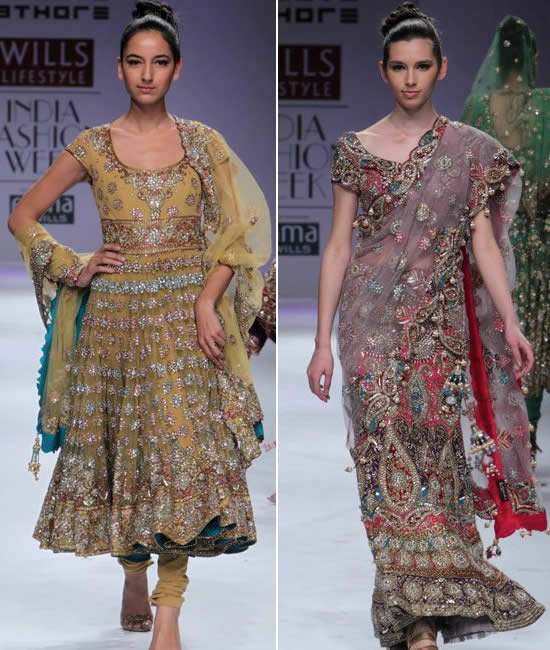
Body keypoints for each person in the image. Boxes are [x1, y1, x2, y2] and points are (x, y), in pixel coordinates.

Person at [7, 2, 271, 649]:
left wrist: (207, 302)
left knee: (181, 455)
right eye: (135, 61)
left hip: (185, 317)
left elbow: (236, 234)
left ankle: (168, 610)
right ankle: (132, 572)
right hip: (116, 323)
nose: (147, 73)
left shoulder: (203, 142)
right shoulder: (93, 146)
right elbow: (23, 216)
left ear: (177, 69)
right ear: (119, 69)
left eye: (159, 62)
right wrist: (73, 264)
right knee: (128, 454)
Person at [306, 3, 546, 649]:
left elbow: (484, 243)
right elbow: (338, 247)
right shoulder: (355, 150)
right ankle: (416, 622)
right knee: (382, 460)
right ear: (383, 71)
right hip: (368, 331)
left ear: (441, 68)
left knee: (437, 465)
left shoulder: (468, 151)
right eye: (398, 67)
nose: (410, 78)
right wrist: (322, 342)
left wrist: (512, 322)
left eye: (421, 66)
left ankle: (424, 605)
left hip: (439, 331)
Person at [462, 15, 550, 456]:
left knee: (503, 334)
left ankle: (517, 437)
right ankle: (524, 431)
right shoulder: (547, 106)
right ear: (533, 57)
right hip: (544, 241)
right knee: (537, 332)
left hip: (495, 243)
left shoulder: (478, 110)